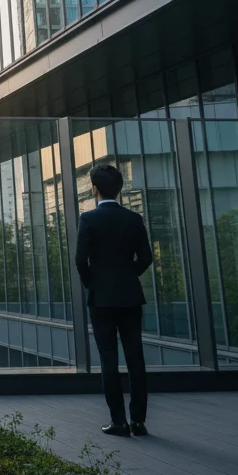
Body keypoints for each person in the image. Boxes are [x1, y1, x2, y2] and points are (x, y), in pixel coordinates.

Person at [75, 162, 154, 437]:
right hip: (131, 296)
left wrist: (93, 283)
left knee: (108, 359)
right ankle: (139, 421)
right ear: (120, 189)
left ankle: (118, 422)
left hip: (101, 299)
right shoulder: (134, 219)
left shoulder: (88, 219)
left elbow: (79, 260)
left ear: (94, 189)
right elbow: (146, 258)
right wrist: (127, 277)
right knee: (136, 357)